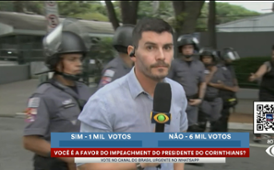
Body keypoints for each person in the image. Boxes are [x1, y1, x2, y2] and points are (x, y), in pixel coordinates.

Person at [77, 17, 188, 170]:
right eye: (150, 47)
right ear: (132, 53)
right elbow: (86, 165)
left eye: (167, 47)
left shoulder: (177, 91)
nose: (161, 56)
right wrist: (141, 160)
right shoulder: (103, 102)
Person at [22, 21, 92, 170]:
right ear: (56, 63)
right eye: (72, 59)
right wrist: (68, 156)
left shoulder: (84, 90)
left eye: (80, 59)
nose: (79, 63)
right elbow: (30, 141)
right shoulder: (43, 96)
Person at [168, 34, 206, 132]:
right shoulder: (174, 64)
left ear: (194, 49)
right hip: (177, 102)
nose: (188, 50)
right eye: (185, 48)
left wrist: (200, 99)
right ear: (181, 50)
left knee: (192, 128)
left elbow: (203, 83)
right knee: (176, 128)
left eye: (190, 47)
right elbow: (167, 82)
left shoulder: (199, 65)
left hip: (193, 101)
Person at [198, 49, 226, 132]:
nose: (206, 59)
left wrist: (211, 84)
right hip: (204, 98)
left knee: (216, 119)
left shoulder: (218, 69)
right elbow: (204, 82)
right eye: (204, 57)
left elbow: (221, 84)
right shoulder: (199, 69)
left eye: (208, 57)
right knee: (204, 118)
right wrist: (212, 73)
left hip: (216, 98)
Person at [217, 47, 240, 132]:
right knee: (221, 117)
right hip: (222, 95)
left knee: (226, 115)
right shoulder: (219, 68)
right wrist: (232, 88)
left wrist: (236, 85)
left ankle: (224, 132)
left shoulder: (230, 67)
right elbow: (220, 84)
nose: (231, 60)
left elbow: (233, 78)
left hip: (229, 94)